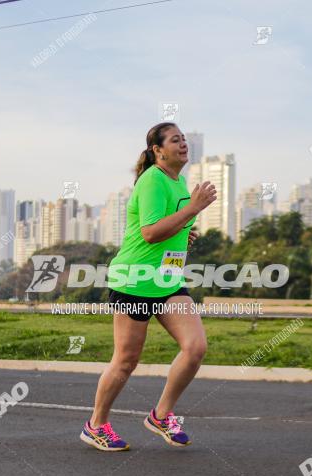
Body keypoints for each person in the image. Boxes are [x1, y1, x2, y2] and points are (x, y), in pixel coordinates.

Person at [80, 122, 217, 451]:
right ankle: (96, 425)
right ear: (158, 150)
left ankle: (161, 415)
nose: (183, 144)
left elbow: (169, 226)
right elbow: (150, 233)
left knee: (195, 347)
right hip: (134, 281)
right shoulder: (153, 179)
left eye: (184, 139)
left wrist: (186, 231)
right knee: (126, 361)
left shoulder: (179, 181)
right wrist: (193, 209)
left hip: (167, 281)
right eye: (175, 140)